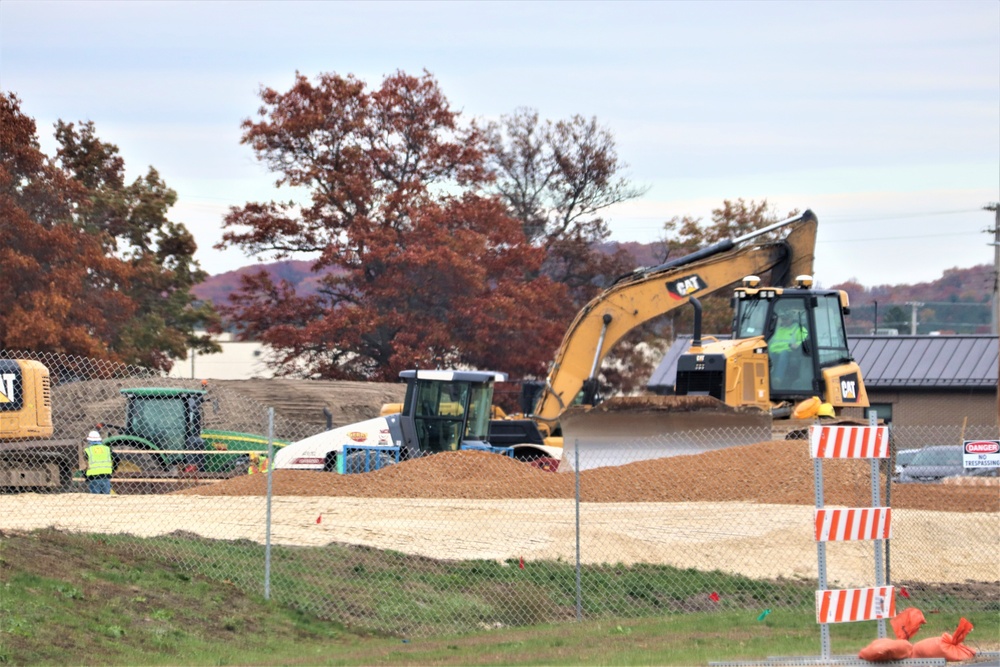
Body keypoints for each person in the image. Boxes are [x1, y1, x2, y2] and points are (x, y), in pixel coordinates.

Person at [769, 310, 808, 385]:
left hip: (789, 351)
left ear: (791, 319)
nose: (784, 321)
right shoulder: (777, 329)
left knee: (783, 354)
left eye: (786, 319)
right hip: (774, 351)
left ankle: (778, 378)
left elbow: (804, 340)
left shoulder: (799, 329)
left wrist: (797, 345)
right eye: (783, 319)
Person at [82, 430, 113, 494]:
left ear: (89, 441)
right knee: (106, 497)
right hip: (106, 476)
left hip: (93, 477)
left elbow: (84, 465)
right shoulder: (107, 449)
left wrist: (85, 476)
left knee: (95, 498)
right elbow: (116, 459)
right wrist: (113, 470)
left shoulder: (87, 451)